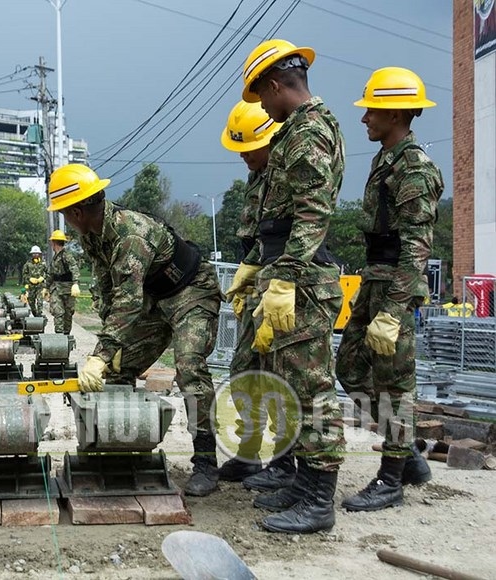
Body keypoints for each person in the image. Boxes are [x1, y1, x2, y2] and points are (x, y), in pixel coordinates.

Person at [47, 163, 223, 496]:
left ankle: (206, 462)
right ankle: (120, 450)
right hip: (154, 299)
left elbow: (128, 301)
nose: (66, 221)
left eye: (64, 214)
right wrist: (111, 350)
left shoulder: (130, 235)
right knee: (118, 369)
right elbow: (107, 289)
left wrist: (100, 354)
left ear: (76, 212)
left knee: (189, 367)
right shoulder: (92, 236)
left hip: (191, 292)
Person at [239, 39, 346, 533]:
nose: (262, 107)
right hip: (287, 273)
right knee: (291, 388)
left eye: (261, 96)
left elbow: (312, 212)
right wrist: (258, 266)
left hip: (301, 281)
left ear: (277, 85)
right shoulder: (299, 129)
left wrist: (283, 276)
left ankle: (319, 499)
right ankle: (303, 484)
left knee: (311, 390)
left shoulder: (308, 132)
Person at [336, 67, 444, 512]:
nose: (364, 118)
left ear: (396, 113)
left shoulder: (414, 168)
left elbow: (417, 245)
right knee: (349, 367)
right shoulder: (386, 160)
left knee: (395, 384)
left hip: (395, 286)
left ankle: (391, 478)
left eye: (372, 111)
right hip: (374, 279)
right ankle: (408, 455)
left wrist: (394, 310)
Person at [218, 100, 291, 486]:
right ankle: (249, 452)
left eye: (249, 147)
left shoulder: (287, 173)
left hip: (283, 284)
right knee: (244, 369)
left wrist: (277, 282)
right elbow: (258, 236)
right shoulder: (257, 177)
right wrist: (248, 272)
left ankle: (284, 462)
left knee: (278, 374)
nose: (243, 155)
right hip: (260, 281)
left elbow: (296, 233)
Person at [47, 229, 81, 334]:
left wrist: (75, 283)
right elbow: (51, 274)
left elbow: (74, 268)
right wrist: (45, 287)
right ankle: (59, 336)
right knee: (58, 312)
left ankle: (66, 336)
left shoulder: (67, 256)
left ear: (54, 243)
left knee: (68, 314)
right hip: (57, 289)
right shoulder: (55, 258)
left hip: (68, 289)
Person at [21, 246, 47, 317]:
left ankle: (39, 314)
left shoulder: (43, 263)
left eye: (37, 253)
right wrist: (29, 279)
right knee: (31, 302)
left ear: (39, 254)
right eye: (34, 253)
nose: (35, 255)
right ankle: (35, 314)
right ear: (31, 254)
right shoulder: (28, 264)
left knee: (40, 301)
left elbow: (48, 273)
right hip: (31, 287)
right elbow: (24, 274)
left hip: (40, 286)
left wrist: (43, 277)